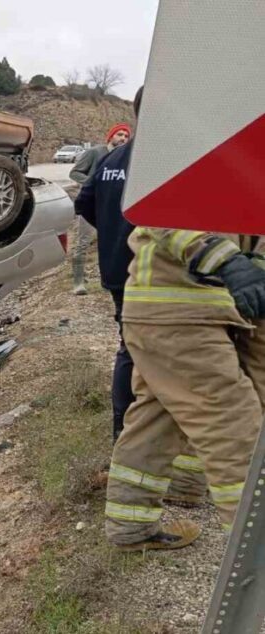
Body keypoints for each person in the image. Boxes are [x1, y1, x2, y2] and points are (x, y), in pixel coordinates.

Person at [104, 230, 265, 551]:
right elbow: (162, 212)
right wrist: (226, 260)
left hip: (183, 307)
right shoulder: (166, 191)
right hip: (179, 307)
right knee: (233, 426)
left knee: (158, 417)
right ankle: (254, 558)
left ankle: (133, 523)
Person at [74, 94, 142, 442]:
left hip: (116, 267)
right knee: (152, 351)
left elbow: (83, 202)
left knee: (128, 346)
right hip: (151, 273)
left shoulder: (112, 158)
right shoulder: (161, 158)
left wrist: (112, 229)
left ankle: (121, 429)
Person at [69, 123, 133, 295]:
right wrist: (93, 184)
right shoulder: (95, 152)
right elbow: (74, 173)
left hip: (113, 208)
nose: (123, 138)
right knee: (83, 243)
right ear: (111, 136)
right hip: (91, 204)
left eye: (126, 136)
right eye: (119, 134)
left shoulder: (126, 157)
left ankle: (110, 278)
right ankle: (78, 282)